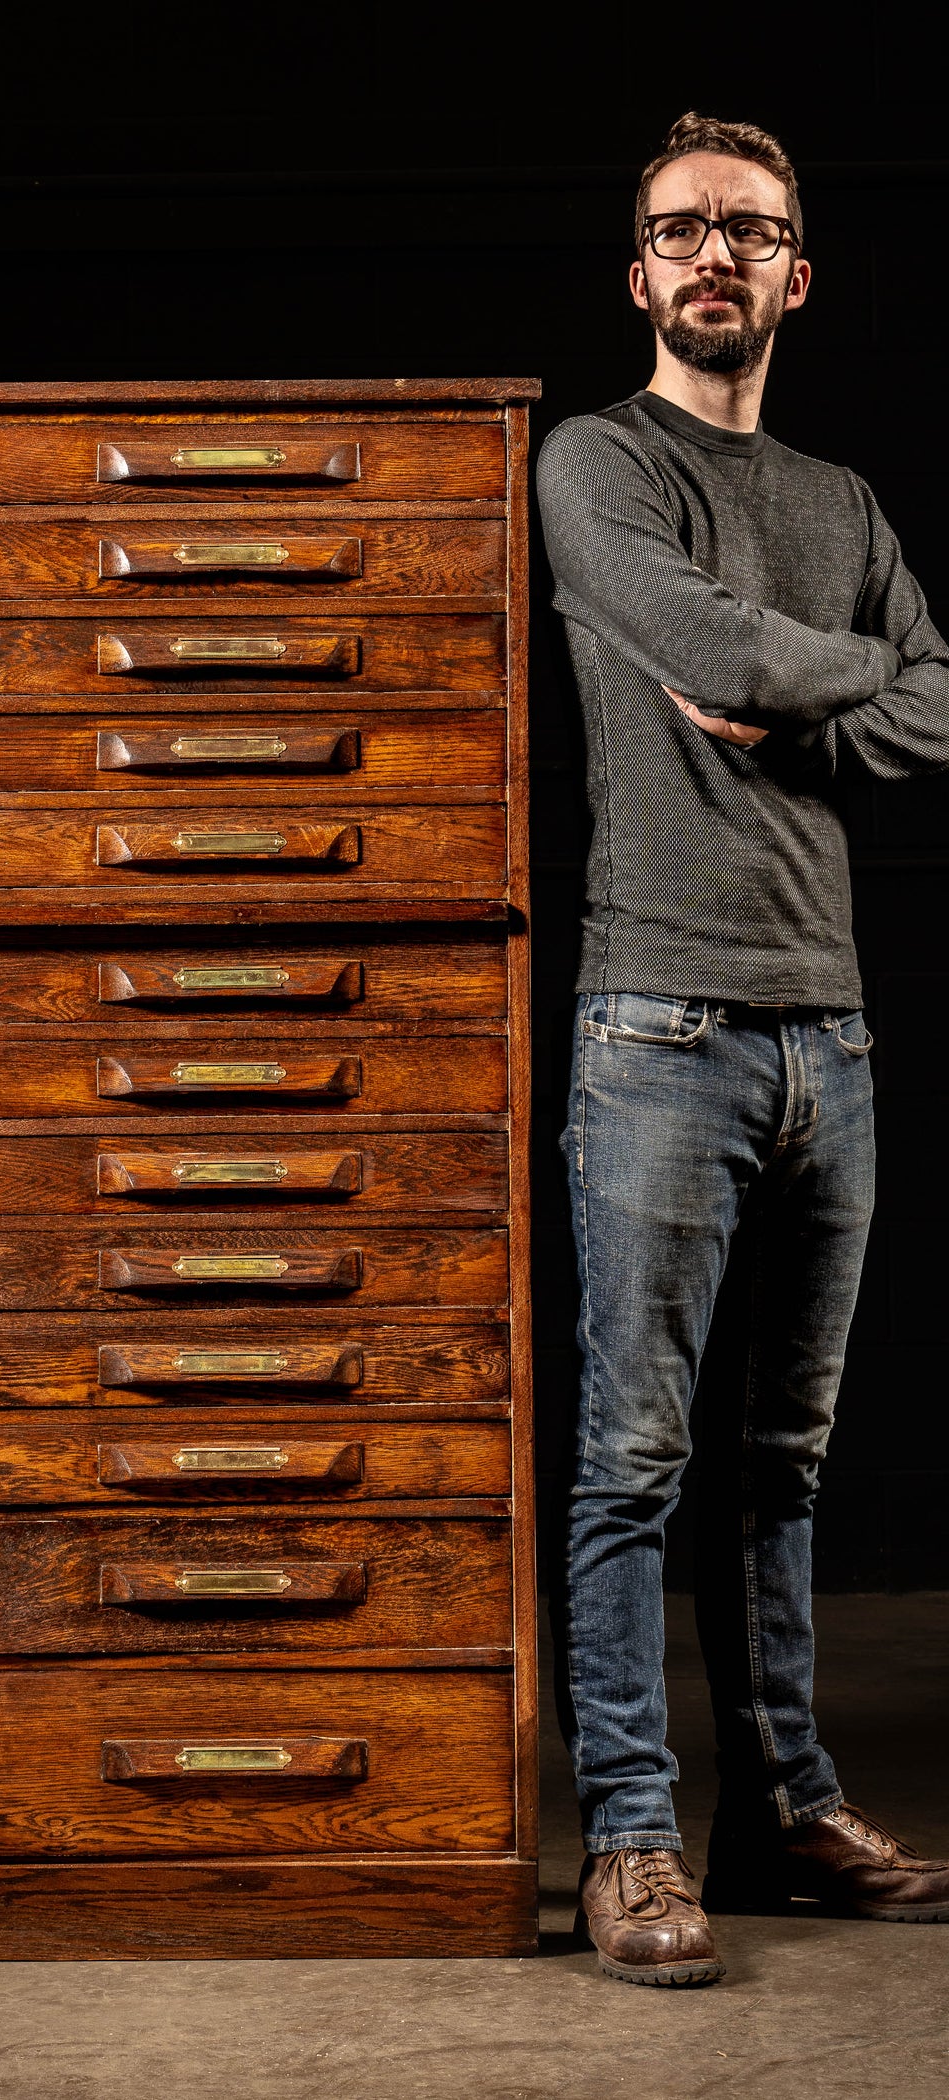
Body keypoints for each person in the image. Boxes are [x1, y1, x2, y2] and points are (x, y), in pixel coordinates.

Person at [536, 110, 949, 1987]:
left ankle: (782, 1815)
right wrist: (837, 675)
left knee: (782, 1461)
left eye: (753, 232)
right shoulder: (594, 467)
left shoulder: (848, 503)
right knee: (635, 1458)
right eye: (684, 229)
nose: (718, 256)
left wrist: (809, 691)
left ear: (798, 273)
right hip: (658, 1023)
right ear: (641, 272)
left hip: (830, 1036)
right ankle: (630, 1839)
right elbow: (705, 639)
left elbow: (935, 709)